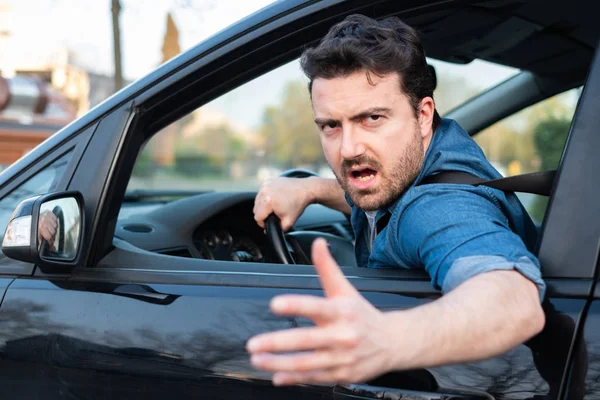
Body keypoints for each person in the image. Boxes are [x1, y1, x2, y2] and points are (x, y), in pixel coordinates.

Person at [247, 14, 546, 387]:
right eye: (330, 125)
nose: (349, 149)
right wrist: (312, 189)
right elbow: (373, 196)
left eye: (372, 117)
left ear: (423, 115)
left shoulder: (437, 207)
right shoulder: (423, 154)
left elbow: (511, 299)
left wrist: (385, 340)